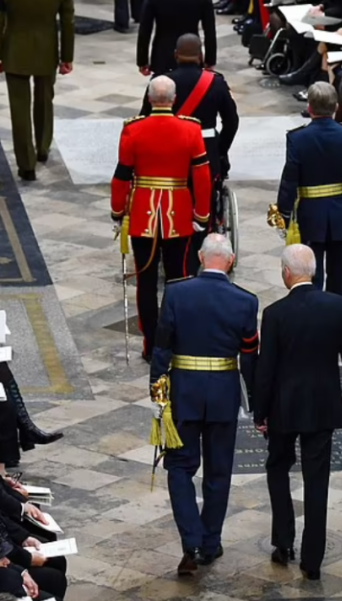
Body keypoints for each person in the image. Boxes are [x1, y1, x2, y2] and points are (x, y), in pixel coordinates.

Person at [150, 234, 258, 577]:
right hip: (224, 393)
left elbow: (162, 345)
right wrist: (257, 400)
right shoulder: (245, 301)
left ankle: (192, 542)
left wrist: (157, 389)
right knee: (218, 471)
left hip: (184, 393)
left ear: (200, 257)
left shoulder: (176, 293)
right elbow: (249, 356)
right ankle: (209, 543)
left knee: (180, 467)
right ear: (231, 260)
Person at [254, 244, 342, 580]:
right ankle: (312, 560)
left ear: (286, 273)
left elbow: (265, 369)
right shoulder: (336, 305)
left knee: (278, 468)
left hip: (283, 407)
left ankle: (283, 542)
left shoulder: (275, 313)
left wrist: (260, 413)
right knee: (317, 481)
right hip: (321, 405)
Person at [110, 76, 212, 360]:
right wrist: (201, 214)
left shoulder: (133, 129)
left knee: (145, 280)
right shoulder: (191, 128)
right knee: (178, 279)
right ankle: (174, 340)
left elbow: (121, 176)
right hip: (177, 213)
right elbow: (202, 176)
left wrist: (117, 212)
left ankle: (151, 344)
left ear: (149, 98)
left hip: (142, 214)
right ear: (174, 99)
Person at [0, 0, 75, 181]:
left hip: (14, 51)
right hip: (47, 51)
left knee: (19, 108)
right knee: (45, 101)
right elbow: (68, 22)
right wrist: (67, 57)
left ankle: (26, 164)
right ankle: (43, 147)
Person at [274, 82, 342, 296]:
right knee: (339, 275)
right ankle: (336, 311)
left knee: (311, 276)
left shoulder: (297, 138)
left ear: (309, 107)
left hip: (310, 216)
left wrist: (284, 216)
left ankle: (314, 312)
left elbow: (289, 181)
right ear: (336, 107)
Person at [139, 33, 238, 218]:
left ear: (176, 55)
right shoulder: (216, 83)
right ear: (200, 56)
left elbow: (144, 120)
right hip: (206, 151)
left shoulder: (161, 84)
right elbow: (231, 122)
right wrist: (219, 149)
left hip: (168, 152)